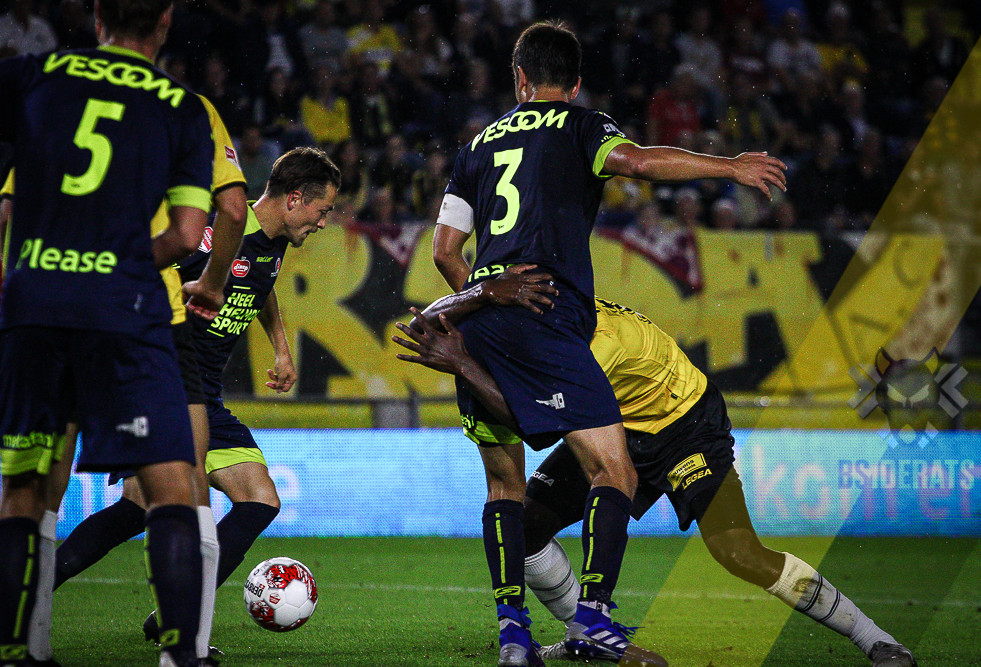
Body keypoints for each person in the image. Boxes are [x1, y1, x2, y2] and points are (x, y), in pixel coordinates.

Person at [430, 20, 786, 667]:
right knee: (613, 469)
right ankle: (593, 617)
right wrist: (727, 166)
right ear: (572, 83)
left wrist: (484, 302)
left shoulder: (475, 146)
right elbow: (641, 163)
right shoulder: (580, 125)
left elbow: (443, 251)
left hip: (477, 320)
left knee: (503, 489)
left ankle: (512, 637)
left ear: (518, 79)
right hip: (549, 318)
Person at [392, 269, 918, 667]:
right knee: (528, 526)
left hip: (686, 426)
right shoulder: (550, 322)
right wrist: (471, 301)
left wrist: (461, 362)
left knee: (738, 552)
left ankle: (876, 639)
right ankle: (591, 635)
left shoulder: (586, 350)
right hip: (617, 424)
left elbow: (536, 424)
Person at [50, 147, 342, 650]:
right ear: (294, 199)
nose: (322, 222)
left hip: (202, 392)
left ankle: (169, 612)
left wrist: (281, 347)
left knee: (254, 498)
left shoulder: (272, 242)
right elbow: (144, 274)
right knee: (156, 506)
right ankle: (170, 626)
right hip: (166, 384)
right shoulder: (213, 235)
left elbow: (260, 283)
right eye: (322, 210)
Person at [0, 0, 216, 664]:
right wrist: (115, 256)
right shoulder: (182, 108)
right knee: (171, 482)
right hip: (124, 307)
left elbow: (7, 200)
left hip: (33, 299)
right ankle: (181, 653)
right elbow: (186, 234)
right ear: (164, 23)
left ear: (97, 20)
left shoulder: (34, 73)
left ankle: (13, 650)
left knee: (24, 488)